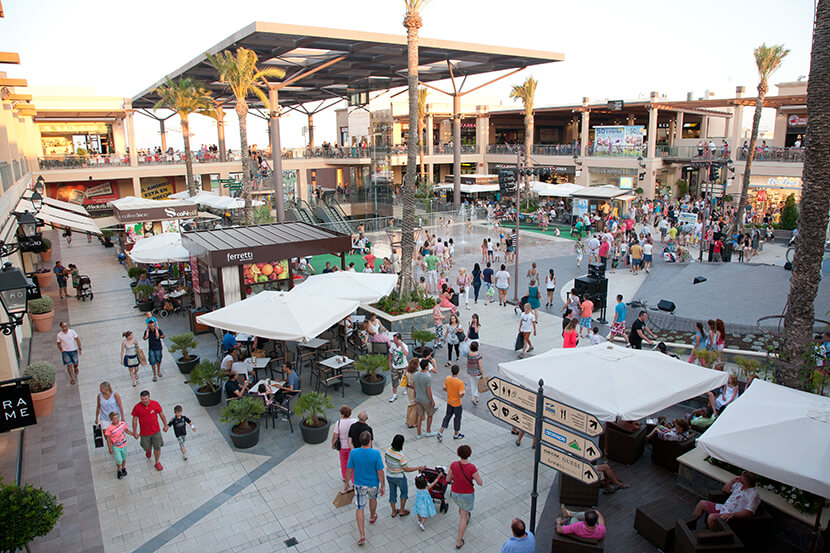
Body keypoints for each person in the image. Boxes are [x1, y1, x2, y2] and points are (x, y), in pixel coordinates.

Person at [345, 431, 385, 546]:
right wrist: (382, 485)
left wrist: (346, 482)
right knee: (373, 499)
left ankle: (362, 535)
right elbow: (380, 472)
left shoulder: (354, 453)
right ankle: (372, 516)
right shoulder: (376, 453)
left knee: (359, 508)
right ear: (370, 441)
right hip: (373, 484)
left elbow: (349, 470)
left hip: (359, 484)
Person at [693, 471, 760, 530]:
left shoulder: (753, 494)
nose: (740, 477)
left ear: (746, 480)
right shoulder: (739, 485)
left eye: (742, 476)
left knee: (712, 517)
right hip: (723, 508)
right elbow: (725, 490)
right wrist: (732, 481)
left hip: (731, 516)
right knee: (702, 503)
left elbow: (748, 512)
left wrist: (732, 515)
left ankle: (713, 534)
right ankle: (692, 523)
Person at [446, 445, 482, 550]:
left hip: (455, 493)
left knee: (461, 508)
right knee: (463, 517)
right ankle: (459, 541)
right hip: (467, 494)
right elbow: (480, 482)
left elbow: (448, 479)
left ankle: (465, 516)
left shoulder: (454, 465)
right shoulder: (472, 468)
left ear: (458, 454)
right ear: (469, 454)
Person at [384, 434, 424, 518]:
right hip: (399, 477)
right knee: (404, 492)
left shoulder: (387, 450)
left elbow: (386, 461)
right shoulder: (401, 456)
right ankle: (402, 510)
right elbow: (406, 469)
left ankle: (393, 511)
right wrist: (418, 468)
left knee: (392, 493)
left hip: (389, 475)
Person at [131, 390, 168, 471]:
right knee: (146, 447)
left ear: (149, 397)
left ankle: (157, 462)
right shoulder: (137, 407)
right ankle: (148, 449)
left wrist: (165, 425)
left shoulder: (155, 404)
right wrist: (134, 432)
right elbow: (134, 420)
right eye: (142, 399)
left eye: (146, 399)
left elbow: (161, 414)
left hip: (156, 432)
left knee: (157, 447)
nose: (144, 401)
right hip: (144, 433)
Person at [104, 411, 137, 479]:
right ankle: (119, 470)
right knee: (119, 460)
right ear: (111, 420)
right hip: (116, 446)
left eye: (118, 418)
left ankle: (123, 468)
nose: (117, 420)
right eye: (115, 418)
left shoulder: (122, 424)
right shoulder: (109, 429)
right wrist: (110, 448)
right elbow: (108, 439)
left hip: (123, 444)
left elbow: (126, 430)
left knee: (124, 457)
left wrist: (133, 434)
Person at [438, 364, 466, 441]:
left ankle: (440, 432)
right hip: (457, 404)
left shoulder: (448, 378)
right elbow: (461, 395)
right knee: (457, 418)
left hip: (449, 402)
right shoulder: (460, 382)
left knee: (447, 416)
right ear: (458, 372)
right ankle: (456, 434)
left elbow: (444, 388)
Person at [332, 405, 357, 484]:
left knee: (343, 462)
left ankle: (345, 477)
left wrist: (333, 443)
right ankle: (353, 480)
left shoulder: (339, 423)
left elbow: (335, 435)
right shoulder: (355, 421)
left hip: (342, 446)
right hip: (352, 445)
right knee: (352, 463)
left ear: (342, 414)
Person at [413, 358, 437, 439]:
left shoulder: (415, 375)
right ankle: (428, 431)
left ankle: (418, 433)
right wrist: (432, 401)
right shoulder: (427, 378)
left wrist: (415, 397)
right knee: (430, 414)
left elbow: (414, 387)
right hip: (426, 400)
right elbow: (428, 391)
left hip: (418, 398)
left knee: (419, 416)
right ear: (426, 367)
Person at [388, 333, 409, 402]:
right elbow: (390, 353)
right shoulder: (392, 345)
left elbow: (406, 354)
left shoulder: (404, 346)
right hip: (395, 367)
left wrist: (401, 345)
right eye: (393, 339)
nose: (394, 340)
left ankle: (405, 389)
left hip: (403, 367)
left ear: (399, 339)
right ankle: (394, 395)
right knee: (394, 382)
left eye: (395, 339)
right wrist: (389, 362)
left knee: (404, 380)